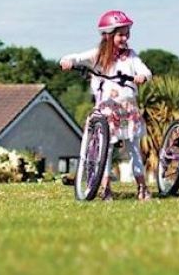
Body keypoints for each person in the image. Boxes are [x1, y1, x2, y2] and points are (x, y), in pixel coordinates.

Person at [60, 10, 153, 200]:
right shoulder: (98, 55)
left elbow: (145, 70)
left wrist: (142, 76)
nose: (125, 38)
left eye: (127, 33)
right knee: (106, 148)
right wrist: (67, 61)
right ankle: (105, 188)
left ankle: (142, 187)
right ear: (107, 35)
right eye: (120, 34)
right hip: (106, 109)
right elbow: (77, 57)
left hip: (126, 109)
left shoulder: (131, 56)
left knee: (133, 148)